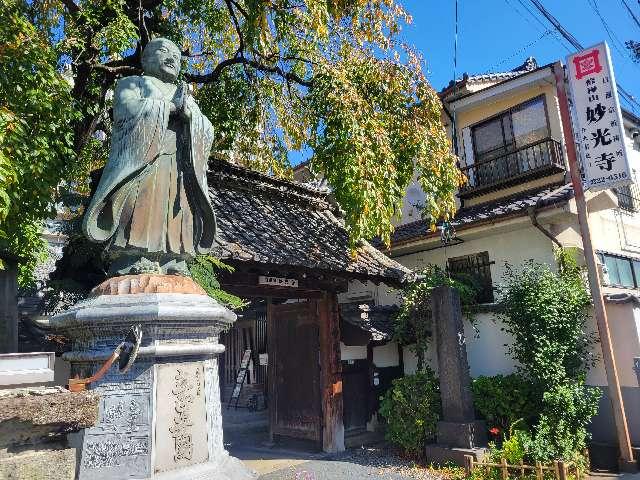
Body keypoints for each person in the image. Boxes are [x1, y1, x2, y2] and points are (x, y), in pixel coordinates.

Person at [83, 38, 216, 276]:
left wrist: (190, 117)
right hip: (144, 160)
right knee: (143, 204)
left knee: (177, 207)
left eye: (177, 57)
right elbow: (126, 110)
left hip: (179, 164)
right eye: (164, 52)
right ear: (145, 59)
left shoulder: (185, 93)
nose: (172, 59)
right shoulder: (133, 83)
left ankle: (174, 257)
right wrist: (170, 108)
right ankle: (134, 255)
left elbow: (207, 128)